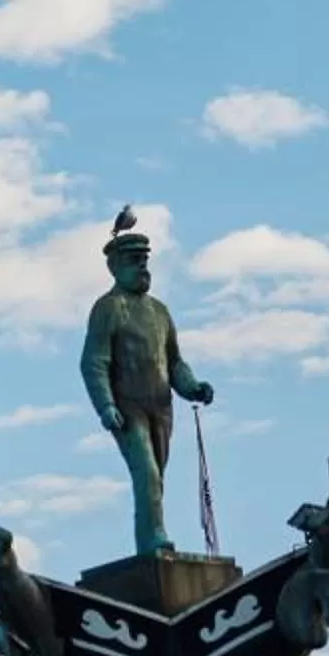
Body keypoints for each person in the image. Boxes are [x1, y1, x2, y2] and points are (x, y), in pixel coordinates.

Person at [80, 206, 214, 558]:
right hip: (128, 407)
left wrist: (194, 387)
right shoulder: (108, 308)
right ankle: (154, 539)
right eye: (134, 260)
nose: (142, 266)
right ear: (116, 266)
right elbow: (94, 362)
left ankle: (152, 540)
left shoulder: (160, 311)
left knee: (157, 481)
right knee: (147, 476)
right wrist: (106, 405)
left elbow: (174, 362)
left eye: (144, 259)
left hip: (161, 407)